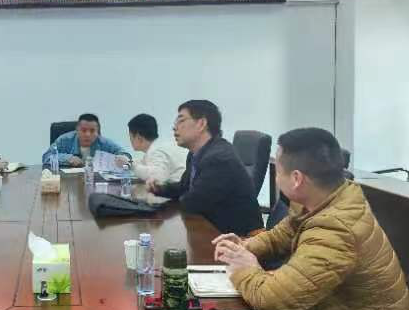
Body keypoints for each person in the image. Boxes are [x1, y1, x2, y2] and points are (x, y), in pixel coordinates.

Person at [213, 128, 409, 310]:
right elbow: (280, 235)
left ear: (297, 179)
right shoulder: (326, 200)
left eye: (279, 171)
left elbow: (273, 300)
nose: (276, 178)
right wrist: (243, 247)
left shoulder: (336, 229)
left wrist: (245, 268)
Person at [148, 100, 261, 236]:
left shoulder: (219, 158)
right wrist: (160, 189)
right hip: (213, 230)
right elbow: (184, 187)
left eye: (181, 121)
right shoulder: (195, 153)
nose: (174, 127)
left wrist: (150, 210)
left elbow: (193, 203)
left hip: (241, 239)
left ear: (201, 124)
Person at [42, 113, 131, 167]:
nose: (87, 134)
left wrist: (123, 158)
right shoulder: (64, 140)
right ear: (77, 130)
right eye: (83, 130)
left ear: (98, 132)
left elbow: (125, 154)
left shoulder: (103, 142)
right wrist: (68, 158)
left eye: (92, 131)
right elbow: (46, 156)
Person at [127, 113, 188, 183]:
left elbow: (158, 177)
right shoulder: (159, 146)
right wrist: (130, 162)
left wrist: (131, 165)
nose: (130, 140)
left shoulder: (156, 151)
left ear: (139, 138)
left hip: (179, 187)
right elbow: (145, 163)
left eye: (130, 137)